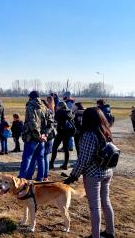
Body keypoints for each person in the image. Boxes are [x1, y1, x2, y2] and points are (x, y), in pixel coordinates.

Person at [63, 108, 115, 238]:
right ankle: (110, 233)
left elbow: (83, 159)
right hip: (107, 172)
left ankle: (95, 236)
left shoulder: (88, 135)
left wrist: (73, 176)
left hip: (94, 175)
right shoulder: (105, 130)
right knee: (106, 202)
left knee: (95, 207)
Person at [18, 91, 47, 182]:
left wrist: (38, 135)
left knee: (27, 158)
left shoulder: (30, 106)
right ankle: (40, 179)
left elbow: (32, 123)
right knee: (40, 158)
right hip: (41, 137)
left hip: (32, 137)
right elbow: (46, 123)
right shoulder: (43, 106)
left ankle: (22, 179)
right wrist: (43, 135)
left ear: (31, 97)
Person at [26, 98, 56, 181]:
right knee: (43, 157)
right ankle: (43, 176)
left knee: (38, 157)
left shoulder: (46, 112)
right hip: (48, 137)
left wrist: (44, 134)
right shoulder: (50, 111)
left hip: (46, 137)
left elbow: (48, 125)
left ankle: (36, 175)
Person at [49, 101, 75, 170]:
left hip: (60, 132)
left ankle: (51, 164)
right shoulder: (69, 111)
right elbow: (72, 118)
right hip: (67, 132)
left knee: (54, 147)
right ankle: (65, 164)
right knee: (66, 149)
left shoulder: (59, 112)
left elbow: (55, 119)